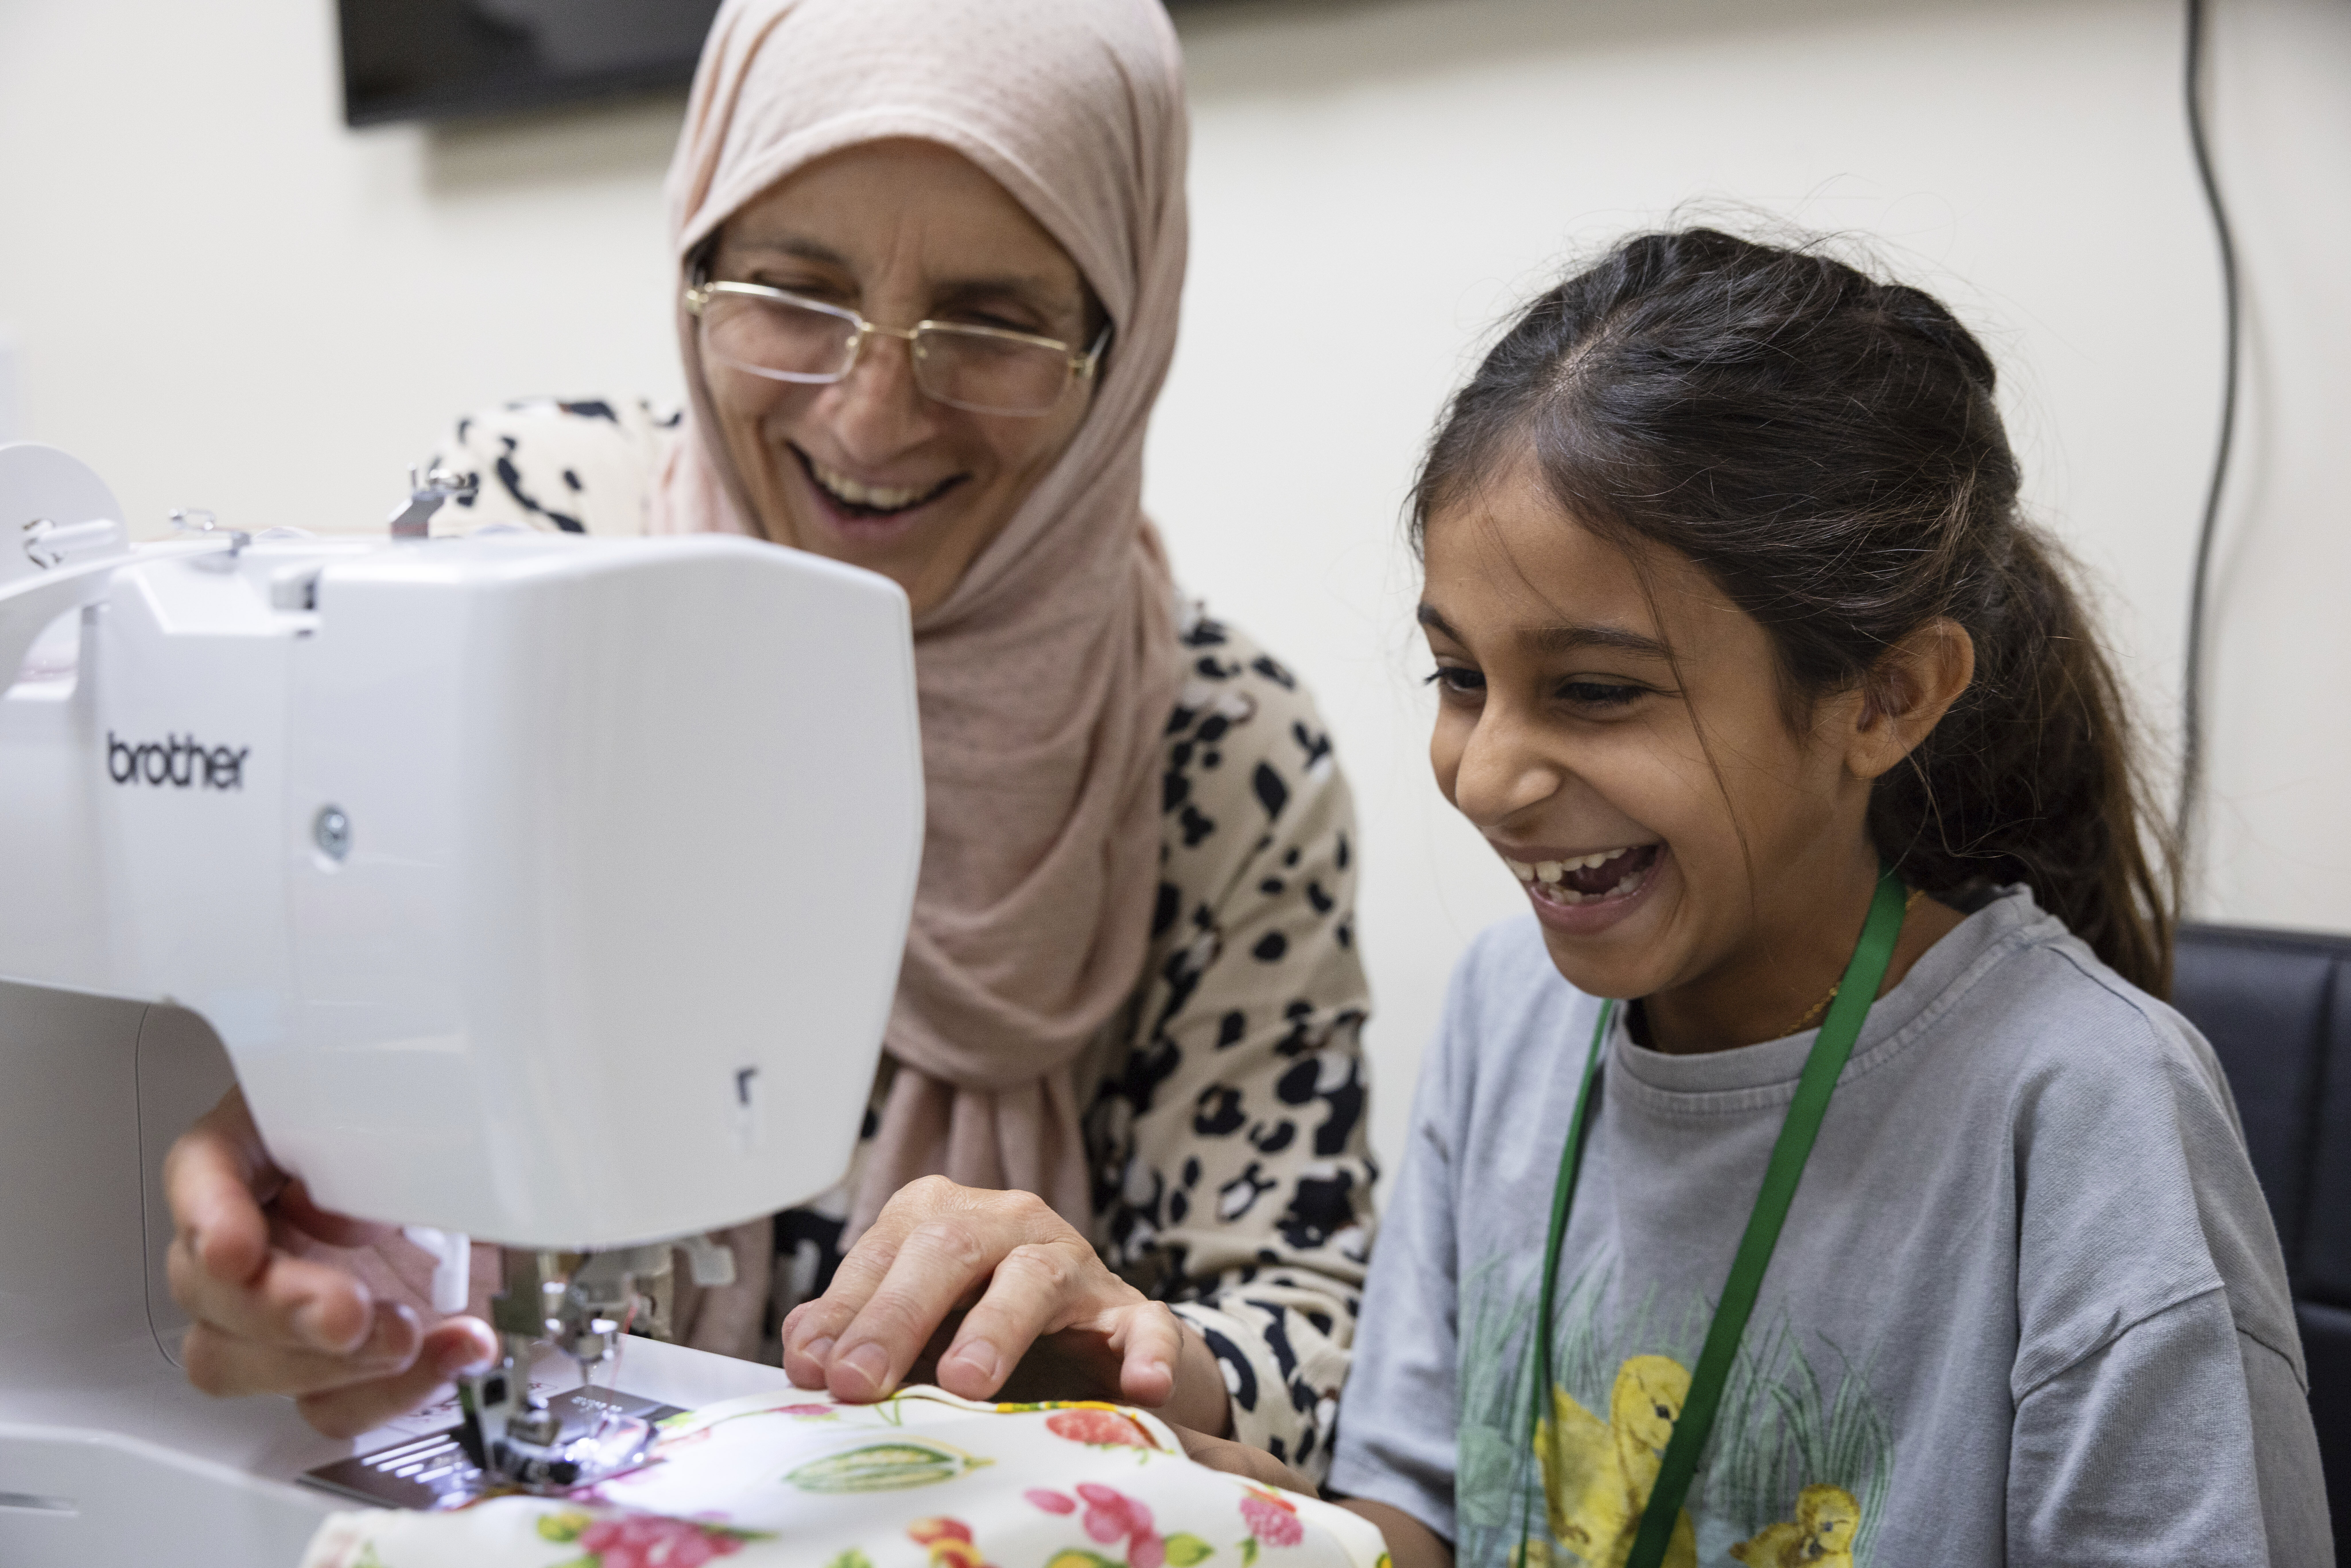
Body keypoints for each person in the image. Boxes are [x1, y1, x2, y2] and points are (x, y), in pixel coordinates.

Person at [162, 0, 1371, 1487]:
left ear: (1118, 348)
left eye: (990, 323)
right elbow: (352, 1032)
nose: (871, 418)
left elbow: (1315, 1342)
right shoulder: (533, 549)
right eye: (794, 294)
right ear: (694, 270)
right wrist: (307, 1162)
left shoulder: (1216, 750)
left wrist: (1130, 1333)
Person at [1326, 230, 2330, 1564]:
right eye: (1458, 677)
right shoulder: (1499, 1012)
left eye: (1594, 690)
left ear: (1883, 697)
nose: (1489, 775)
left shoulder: (2083, 1108)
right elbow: (1412, 1506)